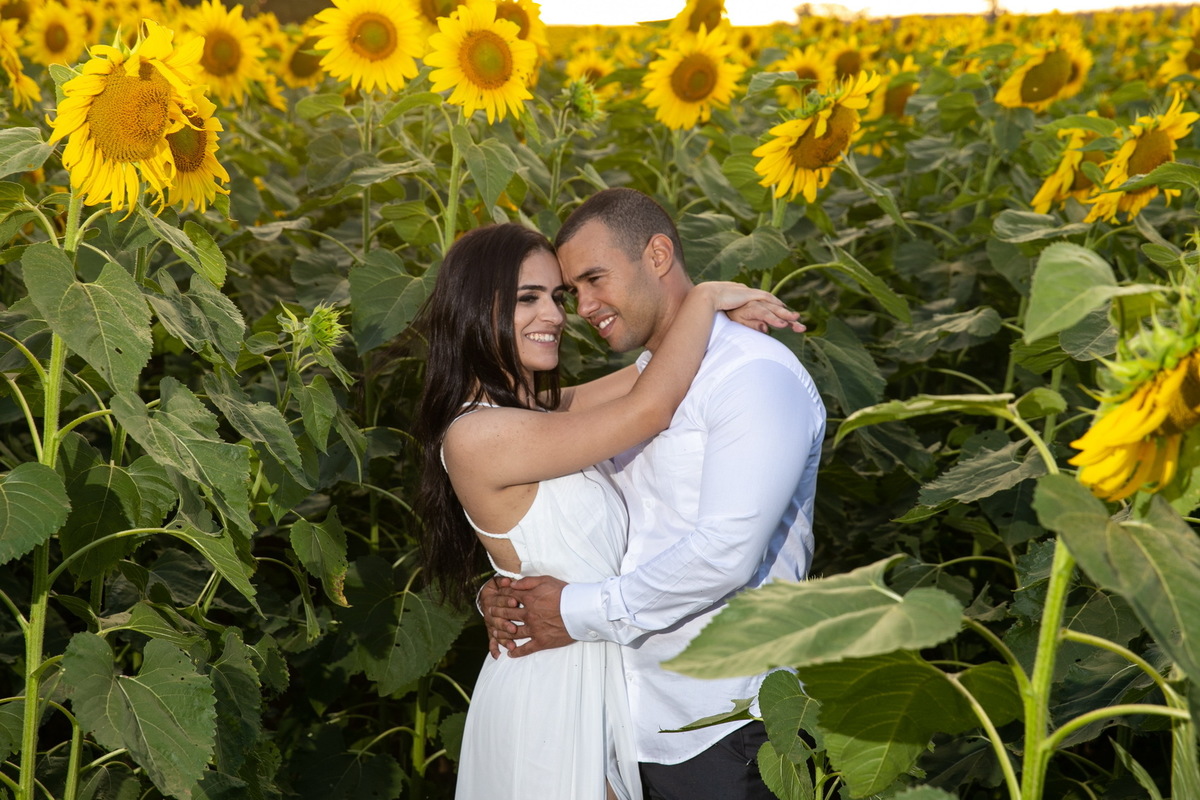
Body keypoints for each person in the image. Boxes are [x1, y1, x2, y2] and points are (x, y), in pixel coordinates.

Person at [412, 222, 802, 800]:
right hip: (551, 691)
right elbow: (649, 408)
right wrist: (705, 297)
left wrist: (709, 328)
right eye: (527, 298)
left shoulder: (538, 413)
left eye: (557, 296)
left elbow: (645, 376)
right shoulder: (479, 435)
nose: (556, 315)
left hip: (598, 678)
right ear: (474, 307)